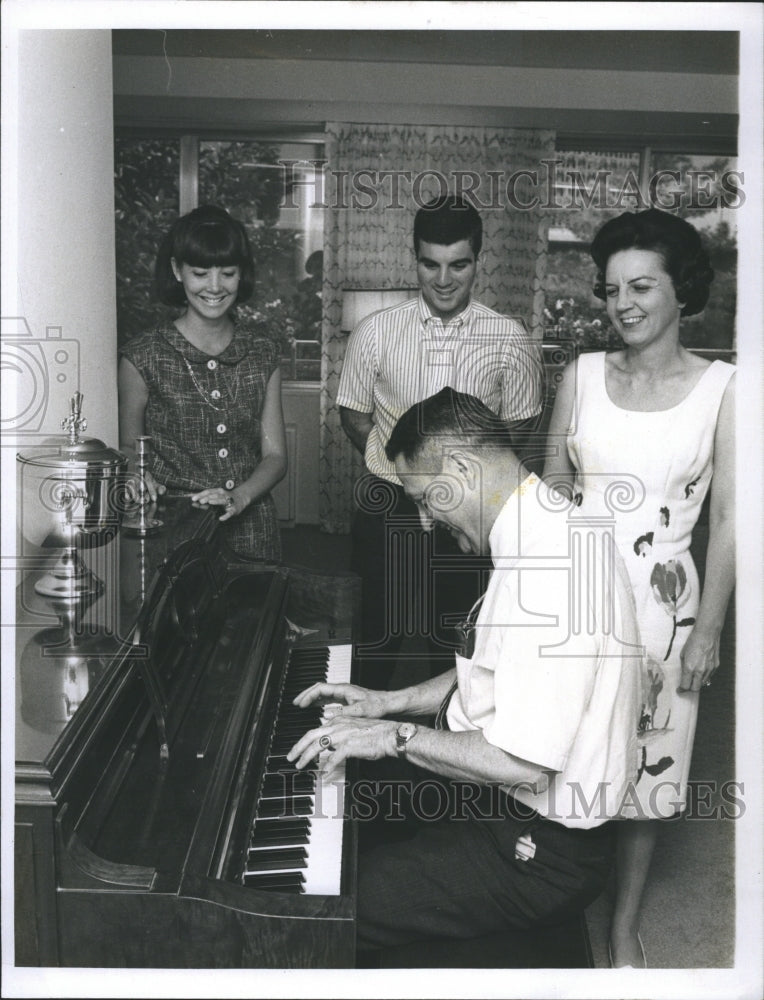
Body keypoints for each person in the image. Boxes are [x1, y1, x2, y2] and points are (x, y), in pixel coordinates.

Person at [287, 388, 642, 953]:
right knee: (329, 789)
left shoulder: (546, 572)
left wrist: (393, 736)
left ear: (461, 467)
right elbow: (491, 671)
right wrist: (389, 703)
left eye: (427, 499)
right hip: (509, 805)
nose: (425, 522)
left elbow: (519, 764)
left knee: (314, 917)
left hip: (536, 849)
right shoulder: (544, 528)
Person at [543, 208, 736, 967]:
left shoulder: (725, 387)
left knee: (650, 771)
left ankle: (622, 926)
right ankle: (547, 903)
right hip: (578, 599)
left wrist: (709, 633)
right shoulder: (582, 376)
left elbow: (730, 522)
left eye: (642, 286)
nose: (622, 303)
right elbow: (553, 491)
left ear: (680, 291)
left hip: (665, 613)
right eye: (612, 288)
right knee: (557, 754)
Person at [337, 195, 544, 689]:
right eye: (431, 264)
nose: (444, 279)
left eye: (459, 264)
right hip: (389, 505)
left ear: (479, 261)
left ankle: (451, 760)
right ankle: (360, 756)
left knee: (457, 647)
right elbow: (353, 416)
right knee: (376, 640)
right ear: (415, 260)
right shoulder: (375, 332)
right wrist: (404, 472)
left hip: (470, 517)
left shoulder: (510, 339)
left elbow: (519, 432)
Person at [118, 204, 287, 561]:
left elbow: (275, 456)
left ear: (241, 275)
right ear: (177, 271)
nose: (214, 287)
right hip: (172, 536)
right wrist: (138, 475)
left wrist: (240, 496)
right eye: (199, 272)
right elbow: (130, 448)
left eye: (227, 273)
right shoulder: (142, 356)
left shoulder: (263, 352)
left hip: (253, 534)